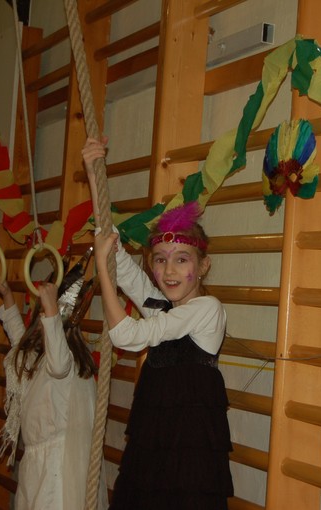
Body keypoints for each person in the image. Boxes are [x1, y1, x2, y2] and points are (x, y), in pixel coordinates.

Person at [83, 137, 234, 510]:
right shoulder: (163, 309)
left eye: (182, 259)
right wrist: (93, 172)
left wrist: (102, 271)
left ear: (203, 266)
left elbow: (129, 336)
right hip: (155, 446)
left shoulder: (206, 309)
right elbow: (119, 259)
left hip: (189, 456)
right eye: (160, 259)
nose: (169, 270)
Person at [0, 272, 108, 510]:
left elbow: (59, 364)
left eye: (49, 316)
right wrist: (8, 296)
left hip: (57, 468)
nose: (43, 320)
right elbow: (19, 340)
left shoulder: (65, 360)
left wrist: (51, 309)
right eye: (41, 315)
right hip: (35, 463)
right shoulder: (38, 357)